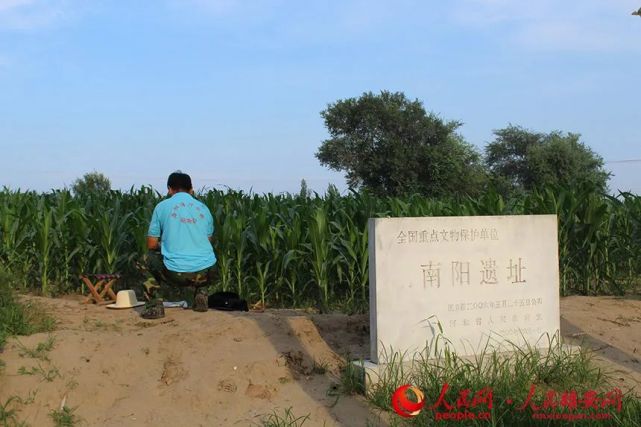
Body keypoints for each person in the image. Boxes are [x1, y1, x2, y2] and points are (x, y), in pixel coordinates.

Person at [141, 171, 216, 319]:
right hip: (208, 272)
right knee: (206, 255)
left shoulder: (162, 207)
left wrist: (166, 246)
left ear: (169, 189)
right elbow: (207, 241)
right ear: (191, 189)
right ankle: (201, 293)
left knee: (144, 259)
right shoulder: (204, 208)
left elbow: (151, 244)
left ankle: (155, 306)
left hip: (177, 274)